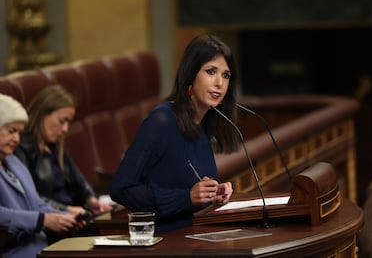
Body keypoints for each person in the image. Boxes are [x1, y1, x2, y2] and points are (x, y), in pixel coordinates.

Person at [110, 34, 240, 233]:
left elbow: (182, 185)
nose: (219, 83)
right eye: (211, 71)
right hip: (163, 243)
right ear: (190, 76)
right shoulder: (162, 120)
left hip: (196, 238)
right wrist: (186, 198)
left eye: (226, 75)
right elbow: (121, 188)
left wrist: (212, 194)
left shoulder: (204, 124)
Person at [0, 93, 82, 258]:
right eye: (11, 131)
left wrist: (65, 218)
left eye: (19, 132)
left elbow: (36, 204)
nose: (16, 139)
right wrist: (41, 221)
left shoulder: (13, 162)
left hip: (41, 248)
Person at [13, 85, 112, 217]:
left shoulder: (55, 146)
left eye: (68, 122)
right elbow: (29, 196)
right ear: (42, 114)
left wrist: (91, 200)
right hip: (53, 220)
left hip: (74, 216)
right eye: (62, 121)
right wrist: (67, 209)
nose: (65, 129)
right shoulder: (21, 146)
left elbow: (78, 180)